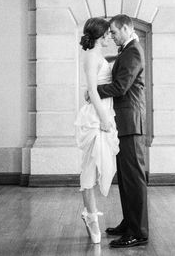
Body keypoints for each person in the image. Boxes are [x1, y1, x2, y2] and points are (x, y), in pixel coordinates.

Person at [97, 14, 149, 248]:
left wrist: (93, 89)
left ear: (127, 28)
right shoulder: (127, 51)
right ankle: (129, 223)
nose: (112, 37)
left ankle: (138, 232)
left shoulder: (133, 51)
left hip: (130, 122)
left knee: (134, 179)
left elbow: (120, 86)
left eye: (115, 32)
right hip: (124, 123)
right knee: (126, 178)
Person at [74, 18, 120, 244]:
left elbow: (96, 83)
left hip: (103, 112)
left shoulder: (97, 55)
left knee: (99, 164)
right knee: (90, 167)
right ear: (100, 35)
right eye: (107, 34)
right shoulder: (91, 56)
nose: (110, 36)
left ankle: (90, 215)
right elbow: (92, 90)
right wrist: (104, 120)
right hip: (96, 117)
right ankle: (91, 217)